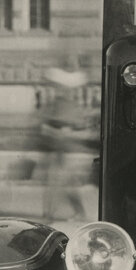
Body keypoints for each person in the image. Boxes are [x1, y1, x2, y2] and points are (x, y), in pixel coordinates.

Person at [39, 64, 98, 222]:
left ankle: (52, 215)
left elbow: (79, 129)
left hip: (71, 151)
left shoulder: (66, 105)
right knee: (61, 183)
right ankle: (53, 214)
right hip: (62, 150)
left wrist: (63, 132)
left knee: (62, 183)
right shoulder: (60, 104)